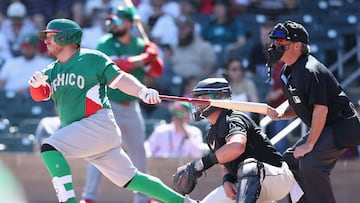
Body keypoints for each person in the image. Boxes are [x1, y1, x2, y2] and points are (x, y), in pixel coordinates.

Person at [28, 18, 198, 203]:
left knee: (50, 147)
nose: (46, 41)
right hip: (89, 135)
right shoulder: (52, 69)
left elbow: (121, 79)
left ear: (66, 38)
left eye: (51, 36)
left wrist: (142, 91)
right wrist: (36, 85)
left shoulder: (91, 59)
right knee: (132, 179)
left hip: (96, 124)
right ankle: (183, 202)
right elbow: (40, 95)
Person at [266, 20, 360, 203]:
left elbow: (320, 109)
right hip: (326, 126)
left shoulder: (311, 70)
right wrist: (279, 113)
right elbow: (296, 102)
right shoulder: (287, 72)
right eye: (275, 42)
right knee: (289, 162)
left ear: (297, 45)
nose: (276, 45)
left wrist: (309, 145)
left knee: (310, 165)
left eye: (282, 41)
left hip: (342, 127)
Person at [80, 6, 163, 203]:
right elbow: (120, 66)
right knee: (101, 149)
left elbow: (157, 72)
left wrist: (154, 54)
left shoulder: (139, 44)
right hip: (109, 105)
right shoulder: (105, 43)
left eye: (118, 20)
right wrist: (145, 58)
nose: (113, 23)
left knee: (138, 152)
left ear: (129, 24)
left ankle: (143, 198)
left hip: (132, 106)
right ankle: (89, 197)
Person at [173, 77, 295, 203]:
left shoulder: (233, 118)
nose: (197, 103)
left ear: (218, 98)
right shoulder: (211, 133)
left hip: (277, 177)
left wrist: (200, 165)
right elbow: (225, 162)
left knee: (249, 167)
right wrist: (227, 180)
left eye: (202, 98)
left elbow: (237, 146)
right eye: (196, 99)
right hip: (248, 183)